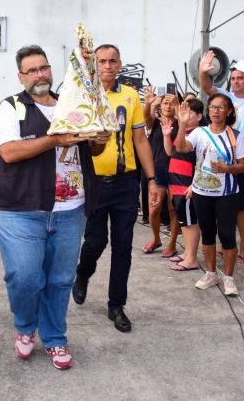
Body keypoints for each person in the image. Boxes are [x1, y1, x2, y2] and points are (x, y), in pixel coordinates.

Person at [0, 45, 105, 369]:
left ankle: (54, 338)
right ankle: (26, 327)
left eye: (44, 68)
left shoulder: (72, 105)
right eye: (32, 70)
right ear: (21, 76)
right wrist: (56, 139)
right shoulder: (12, 107)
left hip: (70, 210)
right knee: (25, 277)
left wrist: (100, 137)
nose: (40, 75)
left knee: (59, 280)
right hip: (20, 211)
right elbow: (8, 152)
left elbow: (91, 151)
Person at [73, 44, 160, 333]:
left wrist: (151, 180)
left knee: (123, 247)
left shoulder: (130, 95)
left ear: (120, 64)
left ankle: (116, 305)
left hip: (126, 183)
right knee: (96, 242)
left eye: (112, 61)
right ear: (94, 65)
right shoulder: (84, 95)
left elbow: (141, 141)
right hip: (94, 183)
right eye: (102, 61)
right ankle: (83, 274)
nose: (107, 66)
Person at [174, 93, 244, 295]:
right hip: (201, 192)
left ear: (229, 111)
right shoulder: (200, 133)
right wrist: (181, 124)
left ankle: (229, 278)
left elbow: (243, 165)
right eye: (213, 107)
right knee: (207, 233)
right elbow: (181, 148)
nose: (215, 111)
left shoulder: (236, 135)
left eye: (220, 108)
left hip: (227, 192)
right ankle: (211, 273)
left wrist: (226, 169)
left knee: (226, 235)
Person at [200, 53, 244, 263]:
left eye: (241, 78)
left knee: (242, 208)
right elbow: (207, 88)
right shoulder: (225, 98)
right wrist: (203, 70)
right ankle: (226, 243)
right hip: (219, 162)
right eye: (234, 78)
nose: (236, 81)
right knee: (221, 206)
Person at [161, 95, 204, 271]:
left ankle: (192, 258)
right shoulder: (182, 131)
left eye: (190, 112)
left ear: (200, 116)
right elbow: (170, 152)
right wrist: (166, 135)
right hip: (176, 182)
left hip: (187, 184)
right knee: (183, 221)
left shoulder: (199, 134)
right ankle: (188, 252)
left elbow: (203, 161)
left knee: (190, 221)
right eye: (183, 111)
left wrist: (194, 185)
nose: (185, 115)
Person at [142, 87, 179, 256]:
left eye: (172, 103)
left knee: (173, 208)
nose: (168, 106)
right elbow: (145, 118)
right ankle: (156, 239)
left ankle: (171, 244)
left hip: (176, 172)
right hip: (157, 172)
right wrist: (149, 103)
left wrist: (178, 108)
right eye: (165, 103)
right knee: (153, 209)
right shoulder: (154, 123)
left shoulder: (181, 122)